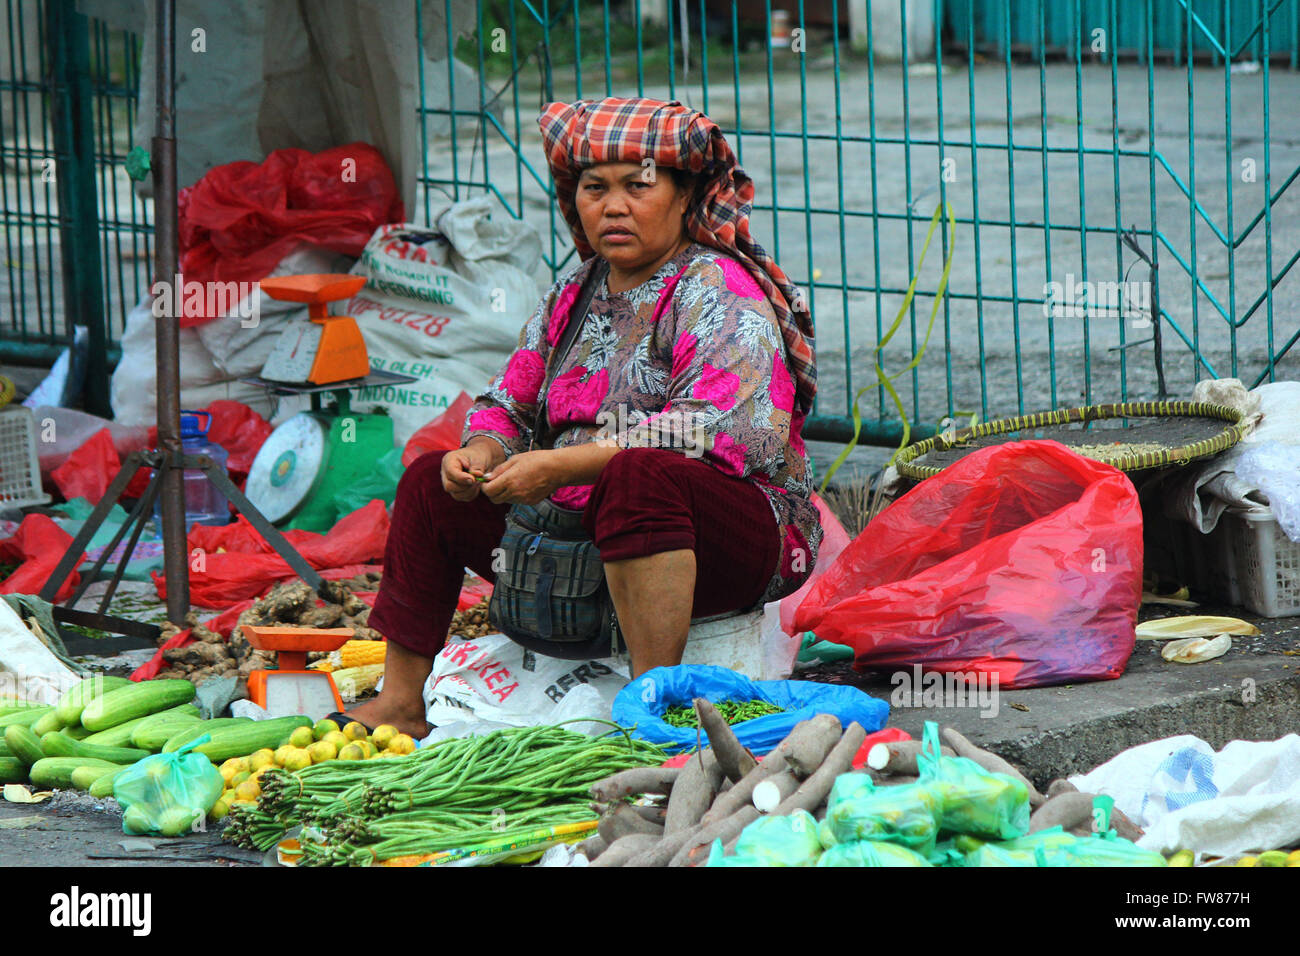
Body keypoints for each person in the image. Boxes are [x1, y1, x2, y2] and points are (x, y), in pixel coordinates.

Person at [342, 97, 822, 738]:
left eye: (638, 187)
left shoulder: (719, 289)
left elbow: (709, 428)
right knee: (431, 481)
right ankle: (402, 702)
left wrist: (564, 464)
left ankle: (650, 711)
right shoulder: (574, 294)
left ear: (686, 199)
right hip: (578, 525)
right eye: (595, 189)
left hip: (731, 536)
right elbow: (506, 402)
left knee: (640, 478)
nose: (613, 206)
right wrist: (482, 454)